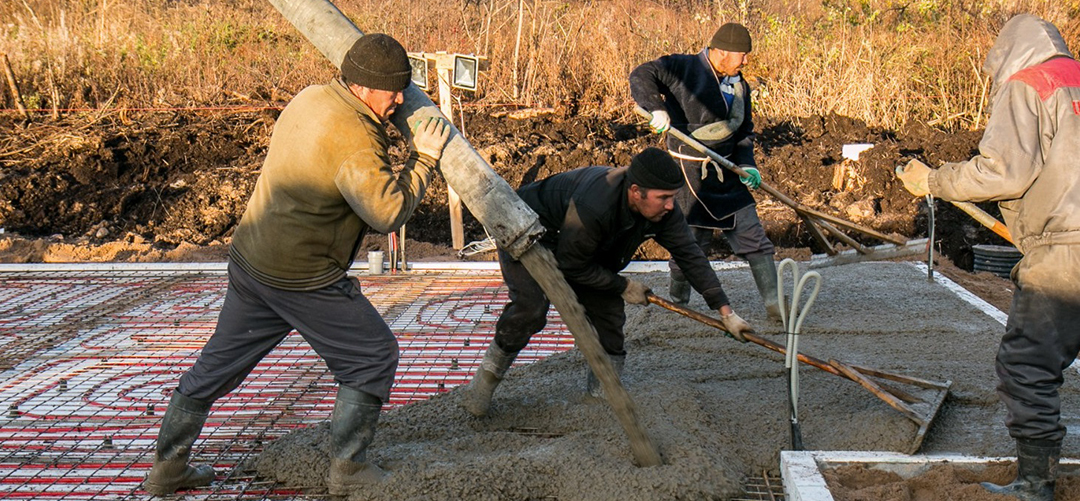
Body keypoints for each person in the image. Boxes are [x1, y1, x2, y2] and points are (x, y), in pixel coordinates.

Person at [141, 34, 451, 496]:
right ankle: (347, 471)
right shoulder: (353, 138)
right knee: (371, 355)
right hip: (301, 276)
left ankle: (167, 468)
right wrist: (424, 158)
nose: (401, 99)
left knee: (218, 363)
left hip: (252, 258)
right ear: (365, 88)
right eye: (394, 90)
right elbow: (386, 212)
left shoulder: (311, 97)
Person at [896, 14, 1080, 501]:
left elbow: (1004, 172)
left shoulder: (1029, 84)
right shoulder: (1076, 79)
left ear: (1005, 56)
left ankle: (1035, 485)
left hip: (1066, 248)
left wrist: (932, 180)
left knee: (1028, 365)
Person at [459, 147, 754, 416]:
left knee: (609, 313)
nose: (669, 206)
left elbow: (690, 255)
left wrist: (726, 312)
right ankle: (485, 382)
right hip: (526, 225)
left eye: (672, 197)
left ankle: (601, 395)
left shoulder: (663, 211)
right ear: (636, 191)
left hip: (581, 244)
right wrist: (624, 286)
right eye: (663, 198)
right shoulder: (596, 204)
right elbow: (572, 266)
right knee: (531, 308)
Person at [629, 22, 780, 321]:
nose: (746, 61)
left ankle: (776, 306)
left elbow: (744, 131)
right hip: (689, 174)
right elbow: (641, 74)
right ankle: (679, 304)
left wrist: (747, 162)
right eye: (742, 55)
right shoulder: (681, 67)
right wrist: (654, 107)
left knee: (754, 238)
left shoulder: (740, 86)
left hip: (727, 175)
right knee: (690, 245)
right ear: (721, 52)